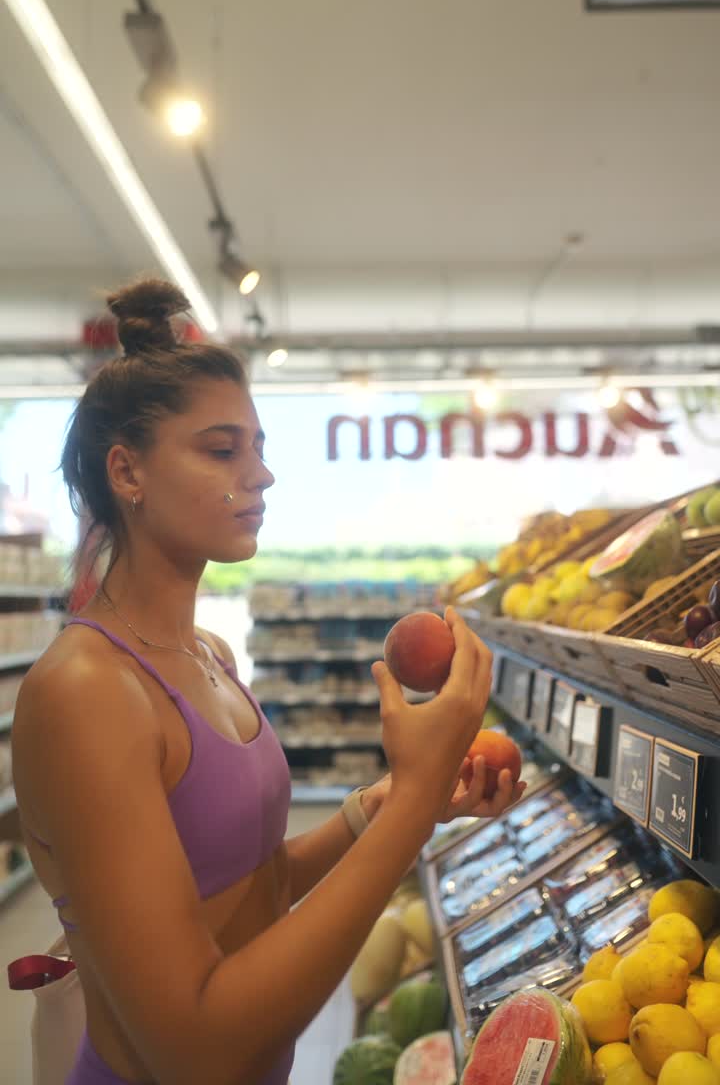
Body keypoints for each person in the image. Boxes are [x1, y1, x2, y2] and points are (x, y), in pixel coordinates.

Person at [11, 278, 525, 1085]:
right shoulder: (87, 691)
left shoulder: (208, 654)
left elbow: (251, 887)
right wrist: (414, 808)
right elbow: (197, 1048)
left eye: (259, 448)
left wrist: (378, 807)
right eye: (223, 450)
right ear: (127, 473)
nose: (261, 476)